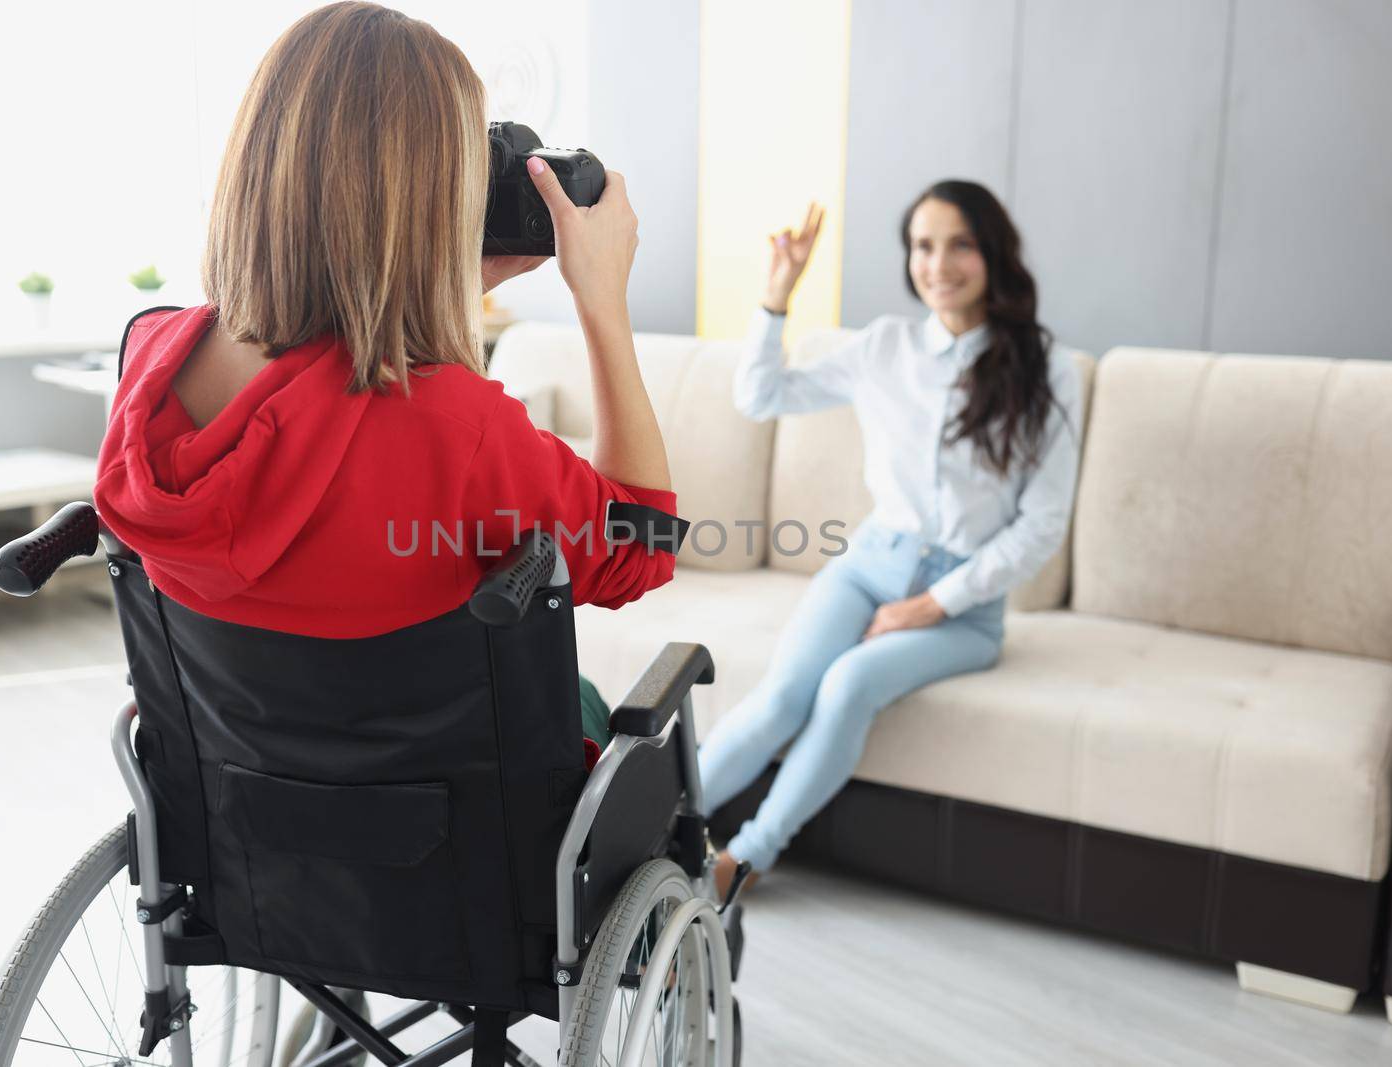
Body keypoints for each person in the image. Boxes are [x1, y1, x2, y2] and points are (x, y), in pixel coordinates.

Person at [93, 2, 676, 752]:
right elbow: (644, 546)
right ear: (441, 194)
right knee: (590, 705)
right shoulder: (456, 423)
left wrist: (447, 283)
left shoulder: (151, 353)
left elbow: (335, 382)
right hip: (440, 837)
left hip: (237, 813)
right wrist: (603, 303)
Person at [700, 181, 1084, 897]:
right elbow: (761, 396)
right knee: (784, 692)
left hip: (966, 609)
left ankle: (743, 860)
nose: (939, 263)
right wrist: (776, 296)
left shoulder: (1048, 368)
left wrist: (934, 603)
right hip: (868, 565)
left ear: (993, 254)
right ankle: (644, 826)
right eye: (923, 246)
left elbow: (1043, 524)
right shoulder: (884, 348)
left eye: (960, 244)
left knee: (847, 684)